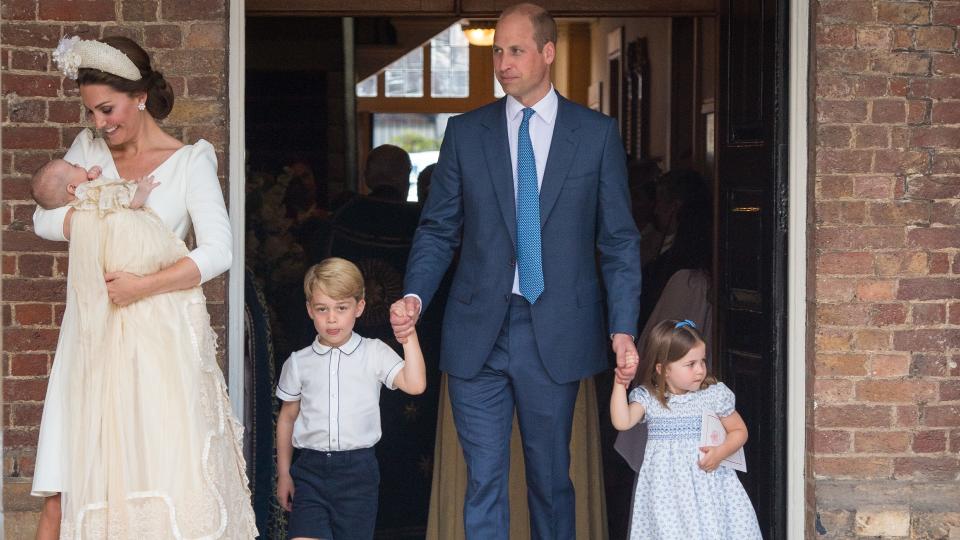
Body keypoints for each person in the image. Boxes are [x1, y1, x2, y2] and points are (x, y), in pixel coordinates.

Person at [390, 4, 642, 537]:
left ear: (547, 53)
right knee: (483, 481)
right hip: (476, 328)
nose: (503, 62)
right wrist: (415, 294)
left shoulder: (595, 135)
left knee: (551, 481)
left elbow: (618, 241)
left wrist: (622, 328)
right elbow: (439, 229)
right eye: (497, 51)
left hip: (555, 331)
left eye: (516, 50)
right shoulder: (466, 132)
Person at [32, 35, 254, 539]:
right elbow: (43, 219)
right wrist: (104, 223)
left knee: (156, 477)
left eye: (107, 109)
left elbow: (218, 251)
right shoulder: (88, 152)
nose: (99, 124)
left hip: (155, 340)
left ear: (141, 97)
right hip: (90, 337)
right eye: (91, 112)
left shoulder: (190, 160)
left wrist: (143, 285)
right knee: (64, 487)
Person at [275, 258, 427, 540]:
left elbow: (415, 384)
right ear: (310, 310)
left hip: (358, 474)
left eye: (341, 308)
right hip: (310, 472)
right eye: (322, 309)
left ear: (359, 307)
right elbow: (287, 417)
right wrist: (284, 473)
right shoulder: (298, 362)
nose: (331, 318)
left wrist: (408, 335)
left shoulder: (374, 353)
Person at [610, 319, 761, 539]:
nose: (700, 370)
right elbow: (622, 421)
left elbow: (739, 431)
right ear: (663, 370)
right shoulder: (650, 399)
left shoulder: (712, 395)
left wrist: (720, 453)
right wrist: (619, 383)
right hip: (667, 496)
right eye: (690, 364)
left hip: (708, 490)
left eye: (702, 361)